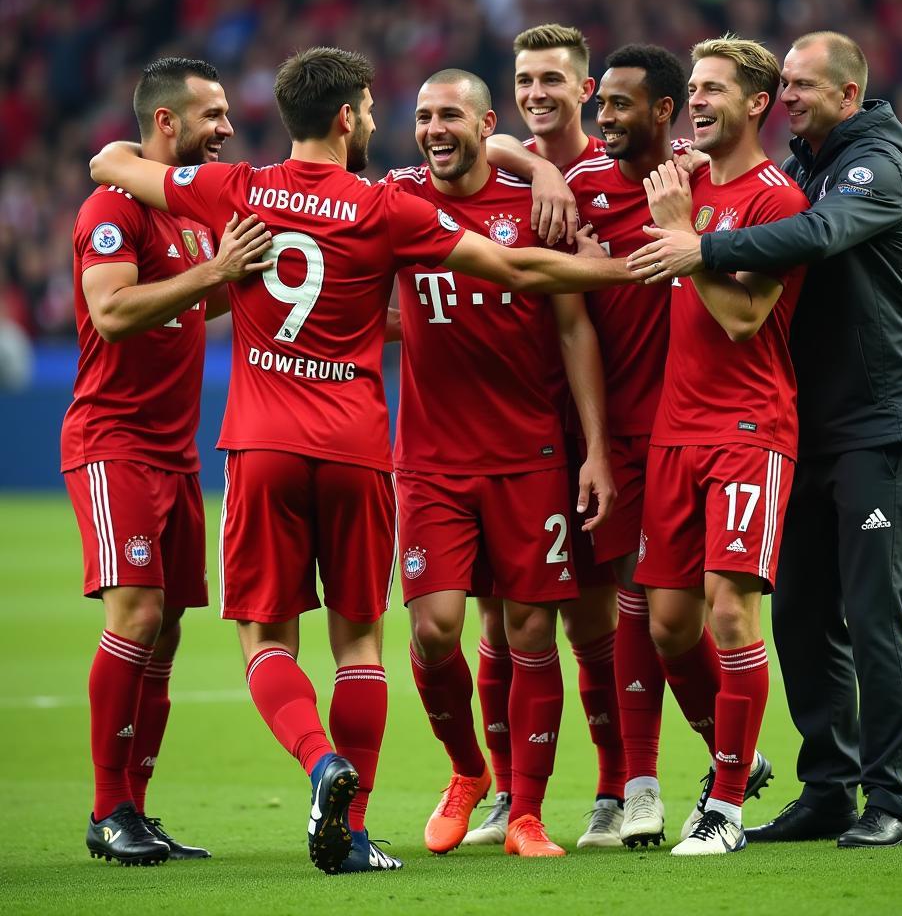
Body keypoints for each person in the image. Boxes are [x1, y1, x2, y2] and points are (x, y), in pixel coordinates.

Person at [90, 46, 636, 874]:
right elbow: (517, 268)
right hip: (357, 449)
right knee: (362, 648)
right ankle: (351, 832)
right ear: (348, 118)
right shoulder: (385, 207)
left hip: (264, 444)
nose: (386, 124)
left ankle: (320, 762)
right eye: (379, 110)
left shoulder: (233, 188)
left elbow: (115, 162)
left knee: (267, 640)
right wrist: (616, 265)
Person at [629, 31, 902, 848]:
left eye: (805, 85)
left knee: (874, 614)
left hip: (881, 421)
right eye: (788, 82)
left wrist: (699, 243)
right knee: (802, 616)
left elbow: (815, 235)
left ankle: (891, 801)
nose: (793, 95)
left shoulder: (874, 167)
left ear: (848, 94)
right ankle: (828, 789)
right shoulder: (804, 163)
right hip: (812, 421)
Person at [389, 68, 613, 859]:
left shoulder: (536, 209)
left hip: (529, 456)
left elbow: (574, 331)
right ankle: (466, 772)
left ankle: (527, 813)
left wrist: (595, 449)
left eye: (450, 114)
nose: (433, 128)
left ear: (488, 126)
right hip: (430, 459)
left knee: (529, 631)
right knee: (436, 629)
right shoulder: (398, 200)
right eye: (422, 116)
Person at [61, 57, 271, 865]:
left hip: (173, 452)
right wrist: (217, 271)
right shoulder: (113, 204)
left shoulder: (182, 213)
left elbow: (198, 293)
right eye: (212, 114)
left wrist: (243, 282)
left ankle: (135, 815)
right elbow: (112, 312)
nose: (226, 126)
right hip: (112, 441)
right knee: (138, 617)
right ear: (164, 123)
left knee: (169, 633)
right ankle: (106, 809)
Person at [636, 35, 807, 856]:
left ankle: (727, 806)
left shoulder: (777, 202)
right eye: (693, 87)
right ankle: (738, 755)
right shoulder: (683, 179)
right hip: (674, 430)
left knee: (732, 612)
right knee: (670, 626)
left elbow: (743, 320)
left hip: (748, 428)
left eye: (713, 89)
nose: (696, 100)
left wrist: (683, 240)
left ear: (756, 105)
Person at [463, 23, 625, 850]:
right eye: (525, 79)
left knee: (596, 621)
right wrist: (539, 164)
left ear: (585, 89)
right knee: (497, 623)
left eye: (552, 80)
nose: (536, 93)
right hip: (512, 434)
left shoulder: (617, 168)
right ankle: (504, 796)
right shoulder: (503, 170)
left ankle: (614, 784)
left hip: (599, 425)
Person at [559, 42, 686, 848]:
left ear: (664, 111)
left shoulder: (704, 184)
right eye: (599, 104)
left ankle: (724, 765)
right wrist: (598, 445)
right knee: (631, 604)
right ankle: (640, 785)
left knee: (686, 616)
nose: (603, 117)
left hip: (703, 429)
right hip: (621, 432)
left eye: (619, 105)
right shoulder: (579, 188)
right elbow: (572, 321)